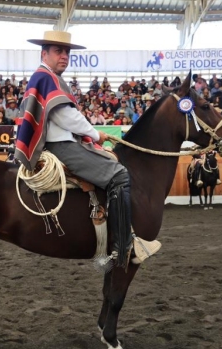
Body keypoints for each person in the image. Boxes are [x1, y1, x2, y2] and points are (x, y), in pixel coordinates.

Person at [15, 30, 132, 269]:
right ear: (44, 53)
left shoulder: (47, 78)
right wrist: (95, 133)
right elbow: (65, 116)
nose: (64, 56)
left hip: (62, 142)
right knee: (119, 175)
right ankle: (121, 249)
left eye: (67, 52)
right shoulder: (46, 77)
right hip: (61, 146)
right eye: (58, 51)